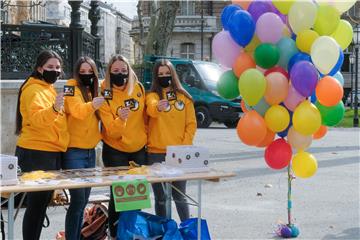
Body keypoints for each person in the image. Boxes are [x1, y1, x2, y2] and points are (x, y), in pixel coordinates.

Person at [15, 50, 69, 240]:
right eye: (50, 67)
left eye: (57, 67)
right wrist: (55, 108)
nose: (55, 71)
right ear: (39, 68)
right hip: (36, 152)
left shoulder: (47, 88)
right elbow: (38, 119)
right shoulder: (33, 90)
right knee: (36, 205)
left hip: (50, 151)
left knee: (41, 204)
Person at [98, 54, 147, 239]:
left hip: (138, 149)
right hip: (115, 150)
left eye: (124, 70)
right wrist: (122, 119)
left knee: (136, 196)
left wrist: (146, 140)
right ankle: (115, 234)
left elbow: (145, 117)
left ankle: (130, 232)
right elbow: (111, 131)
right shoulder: (104, 93)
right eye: (116, 71)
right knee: (119, 196)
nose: (121, 74)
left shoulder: (138, 88)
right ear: (110, 72)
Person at [146, 59, 197, 221]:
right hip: (156, 154)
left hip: (179, 154)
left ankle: (187, 230)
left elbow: (191, 124)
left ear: (173, 75)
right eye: (160, 74)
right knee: (161, 199)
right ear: (156, 77)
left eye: (167, 73)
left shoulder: (184, 97)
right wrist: (158, 107)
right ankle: (164, 231)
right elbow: (151, 108)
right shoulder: (152, 96)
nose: (164, 77)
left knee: (180, 196)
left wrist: (183, 148)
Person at [62, 56, 105, 240]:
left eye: (90, 72)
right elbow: (78, 112)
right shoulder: (71, 86)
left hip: (90, 151)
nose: (86, 74)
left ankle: (77, 236)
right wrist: (92, 105)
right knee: (78, 200)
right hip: (74, 152)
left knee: (84, 200)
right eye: (83, 71)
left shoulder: (94, 89)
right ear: (77, 73)